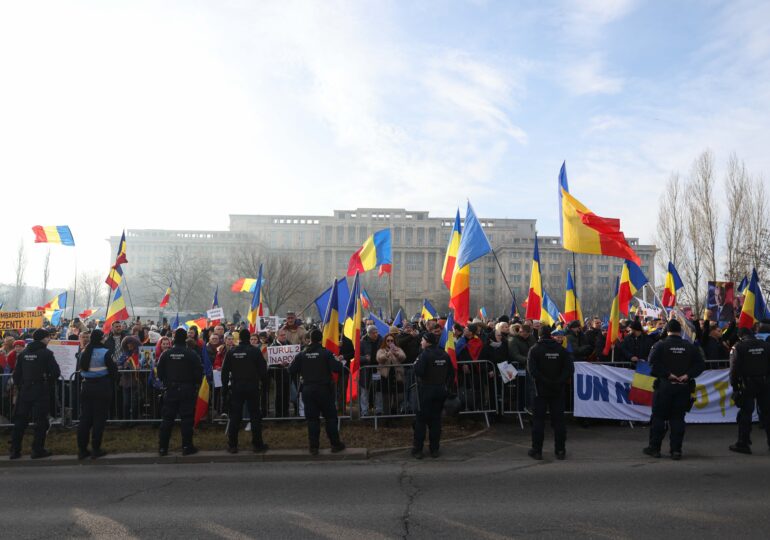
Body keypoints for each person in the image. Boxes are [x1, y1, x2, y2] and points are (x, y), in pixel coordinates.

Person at [643, 319, 705, 460]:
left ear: (667, 330)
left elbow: (652, 364)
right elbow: (701, 364)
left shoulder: (660, 345)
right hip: (683, 388)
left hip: (665, 387)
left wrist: (667, 374)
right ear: (681, 331)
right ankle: (676, 450)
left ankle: (654, 448)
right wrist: (687, 375)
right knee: (678, 419)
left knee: (658, 418)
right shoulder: (689, 346)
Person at [288, 329, 346, 455]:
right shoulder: (326, 353)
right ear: (321, 339)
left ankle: (313, 447)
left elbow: (291, 370)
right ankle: (335, 444)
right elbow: (338, 368)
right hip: (324, 390)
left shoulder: (302, 355)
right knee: (330, 418)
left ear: (310, 339)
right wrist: (339, 361)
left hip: (308, 390)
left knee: (312, 420)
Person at [10, 329, 61, 459]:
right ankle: (37, 450)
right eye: (48, 337)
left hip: (25, 390)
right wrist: (47, 382)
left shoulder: (23, 353)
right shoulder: (46, 353)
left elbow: (16, 375)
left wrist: (22, 386)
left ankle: (15, 451)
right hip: (40, 390)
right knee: (41, 421)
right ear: (43, 339)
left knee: (20, 421)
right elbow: (55, 372)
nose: (49, 340)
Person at [526, 324, 573, 460]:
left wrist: (545, 381)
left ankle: (537, 450)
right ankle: (560, 450)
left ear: (539, 335)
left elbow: (532, 371)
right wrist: (558, 381)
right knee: (559, 421)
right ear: (551, 335)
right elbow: (569, 369)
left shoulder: (534, 350)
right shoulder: (561, 350)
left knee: (538, 421)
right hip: (557, 390)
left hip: (540, 391)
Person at [156, 328, 203, 456]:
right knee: (187, 419)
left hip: (170, 390)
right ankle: (187, 447)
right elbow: (199, 373)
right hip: (187, 390)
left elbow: (159, 372)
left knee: (167, 420)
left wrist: (167, 381)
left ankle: (163, 448)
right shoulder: (191, 354)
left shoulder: (166, 354)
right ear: (185, 338)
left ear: (174, 338)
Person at [221, 329, 269, 453]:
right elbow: (263, 370)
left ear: (240, 339)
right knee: (255, 415)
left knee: (235, 416)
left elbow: (224, 371)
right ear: (249, 338)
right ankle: (257, 444)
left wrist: (225, 388)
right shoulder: (255, 351)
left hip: (237, 386)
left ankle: (232, 445)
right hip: (252, 386)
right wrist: (265, 385)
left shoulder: (232, 352)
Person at [412, 332, 454, 459]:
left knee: (421, 421)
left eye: (422, 340)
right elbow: (451, 373)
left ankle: (418, 450)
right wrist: (445, 386)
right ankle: (434, 449)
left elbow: (419, 371)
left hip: (426, 390)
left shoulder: (424, 355)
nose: (421, 343)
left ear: (427, 341)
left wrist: (415, 364)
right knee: (436, 421)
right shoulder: (444, 354)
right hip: (440, 390)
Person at [76, 329, 117, 460]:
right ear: (100, 339)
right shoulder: (105, 352)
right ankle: (96, 449)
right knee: (99, 419)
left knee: (85, 419)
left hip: (86, 386)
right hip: (102, 387)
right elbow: (113, 372)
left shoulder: (84, 352)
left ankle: (82, 450)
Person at [728, 327, 770, 454]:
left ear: (740, 336)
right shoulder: (766, 345)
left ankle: (743, 443)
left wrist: (735, 386)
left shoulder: (738, 347)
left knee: (745, 414)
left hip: (747, 384)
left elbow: (734, 369)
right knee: (768, 414)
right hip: (765, 383)